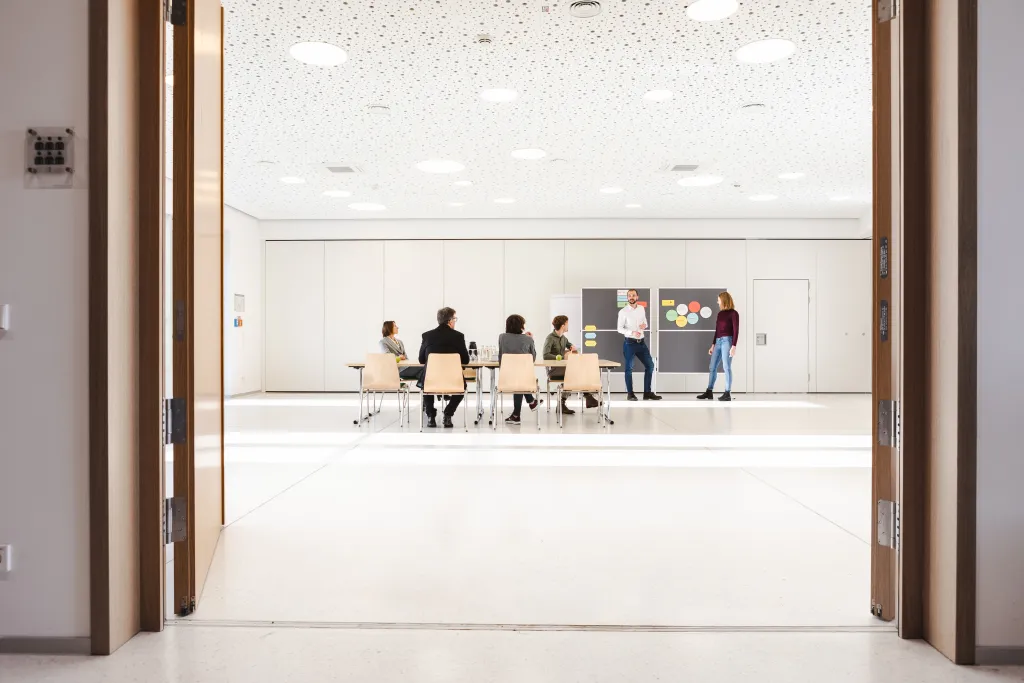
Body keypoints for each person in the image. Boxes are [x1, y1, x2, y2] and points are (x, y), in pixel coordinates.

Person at [418, 307, 470, 428]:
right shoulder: (458, 336)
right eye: (455, 319)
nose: (455, 322)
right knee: (462, 388)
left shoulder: (427, 336)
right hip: (453, 379)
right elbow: (465, 360)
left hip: (431, 379)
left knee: (426, 387)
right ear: (450, 321)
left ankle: (431, 416)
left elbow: (421, 360)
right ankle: (448, 414)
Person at [542, 315, 599, 415]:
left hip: (564, 369)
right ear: (563, 325)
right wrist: (560, 357)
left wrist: (573, 348)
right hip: (553, 370)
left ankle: (563, 404)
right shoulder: (550, 338)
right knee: (575, 373)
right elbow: (545, 355)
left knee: (573, 375)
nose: (568, 326)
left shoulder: (563, 338)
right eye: (567, 324)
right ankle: (587, 397)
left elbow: (571, 346)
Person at [617, 288, 662, 401]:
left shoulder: (641, 308)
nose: (631, 297)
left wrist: (644, 325)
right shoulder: (623, 312)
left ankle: (647, 393)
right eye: (629, 295)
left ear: (637, 297)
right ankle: (630, 394)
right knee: (629, 369)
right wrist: (632, 332)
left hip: (641, 343)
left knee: (650, 366)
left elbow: (645, 322)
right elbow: (619, 329)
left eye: (633, 295)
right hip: (630, 343)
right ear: (627, 298)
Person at [498, 314, 542, 424]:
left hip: (505, 378)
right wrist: (530, 339)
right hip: (524, 379)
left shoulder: (502, 337)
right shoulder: (528, 339)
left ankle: (517, 414)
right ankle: (530, 402)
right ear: (521, 326)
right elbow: (533, 358)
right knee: (520, 377)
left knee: (517, 376)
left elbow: (501, 354)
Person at [698, 291, 739, 402]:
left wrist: (734, 346)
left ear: (724, 300)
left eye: (719, 300)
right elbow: (717, 331)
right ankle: (709, 391)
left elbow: (736, 330)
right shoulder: (720, 314)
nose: (717, 302)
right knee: (712, 367)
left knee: (726, 367)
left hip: (727, 341)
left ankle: (727, 393)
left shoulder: (733, 313)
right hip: (718, 341)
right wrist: (713, 345)